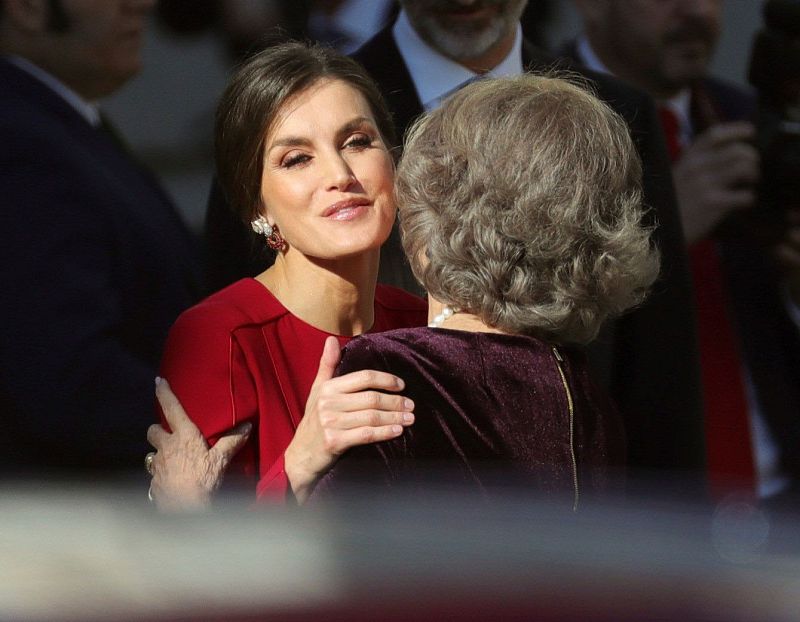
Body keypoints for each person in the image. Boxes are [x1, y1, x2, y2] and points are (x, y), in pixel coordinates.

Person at [311, 73, 660, 508]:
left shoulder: (392, 370)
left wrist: (296, 468)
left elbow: (325, 561)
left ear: (431, 209)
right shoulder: (590, 401)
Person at [149, 42, 427, 509]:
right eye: (296, 158)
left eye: (357, 142)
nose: (340, 174)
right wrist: (302, 461)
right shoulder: (221, 337)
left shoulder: (423, 324)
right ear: (257, 205)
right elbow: (204, 560)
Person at [570, 0, 800, 503]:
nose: (694, 10)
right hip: (638, 513)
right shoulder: (535, 117)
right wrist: (662, 234)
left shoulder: (749, 118)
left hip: (778, 498)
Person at [0, 0, 201, 474]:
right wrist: (241, 415)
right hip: (82, 522)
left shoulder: (58, 121)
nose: (143, 5)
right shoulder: (20, 142)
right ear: (27, 8)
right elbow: (67, 376)